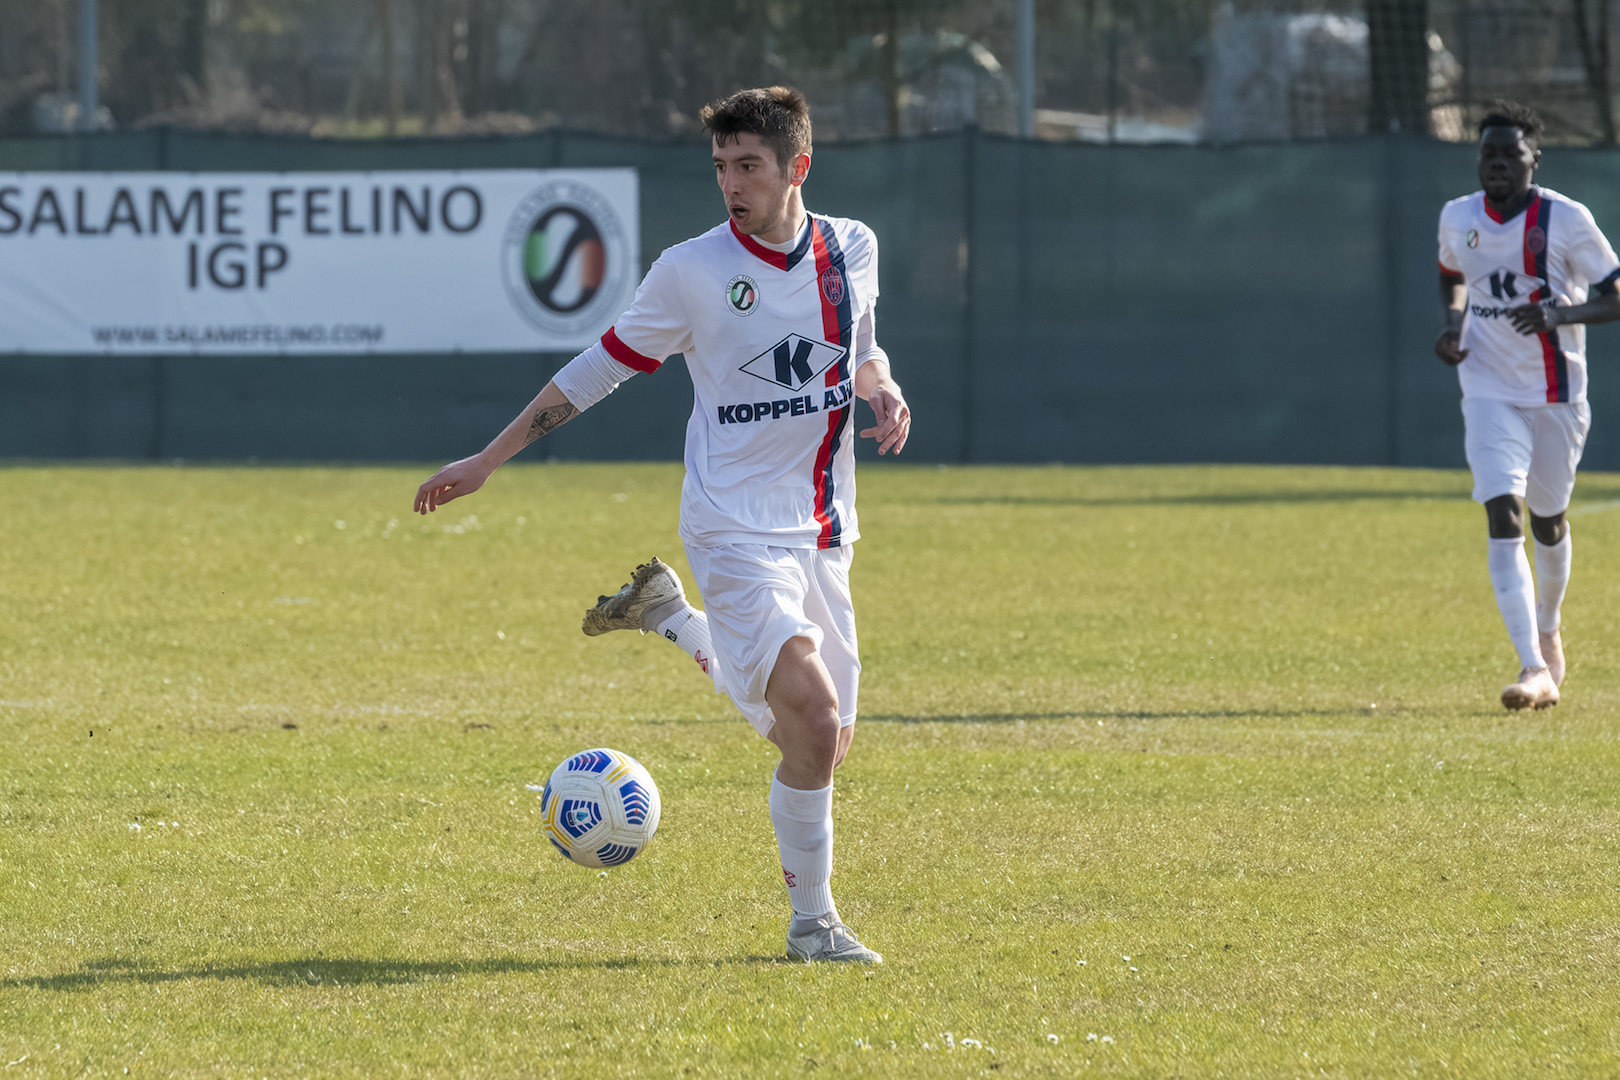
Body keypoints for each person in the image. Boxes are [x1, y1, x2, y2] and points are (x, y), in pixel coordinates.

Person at [415, 86, 910, 962]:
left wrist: (881, 383)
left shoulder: (852, 248)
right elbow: (595, 370)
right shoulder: (693, 270)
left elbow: (860, 343)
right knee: (811, 710)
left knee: (820, 743)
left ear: (798, 168)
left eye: (749, 166)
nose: (732, 184)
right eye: (721, 167)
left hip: (824, 526)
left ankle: (671, 618)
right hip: (730, 525)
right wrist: (487, 460)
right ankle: (814, 926)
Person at [1435, 101, 1620, 710]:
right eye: (1488, 153)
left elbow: (1614, 295)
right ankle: (1532, 665)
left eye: (1510, 154)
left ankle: (1548, 623)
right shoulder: (1458, 216)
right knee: (1501, 514)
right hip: (1487, 389)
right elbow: (1452, 271)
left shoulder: (1566, 220)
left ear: (1533, 159)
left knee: (1548, 519)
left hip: (1557, 395)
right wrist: (1453, 324)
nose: (1497, 164)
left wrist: (1558, 314)